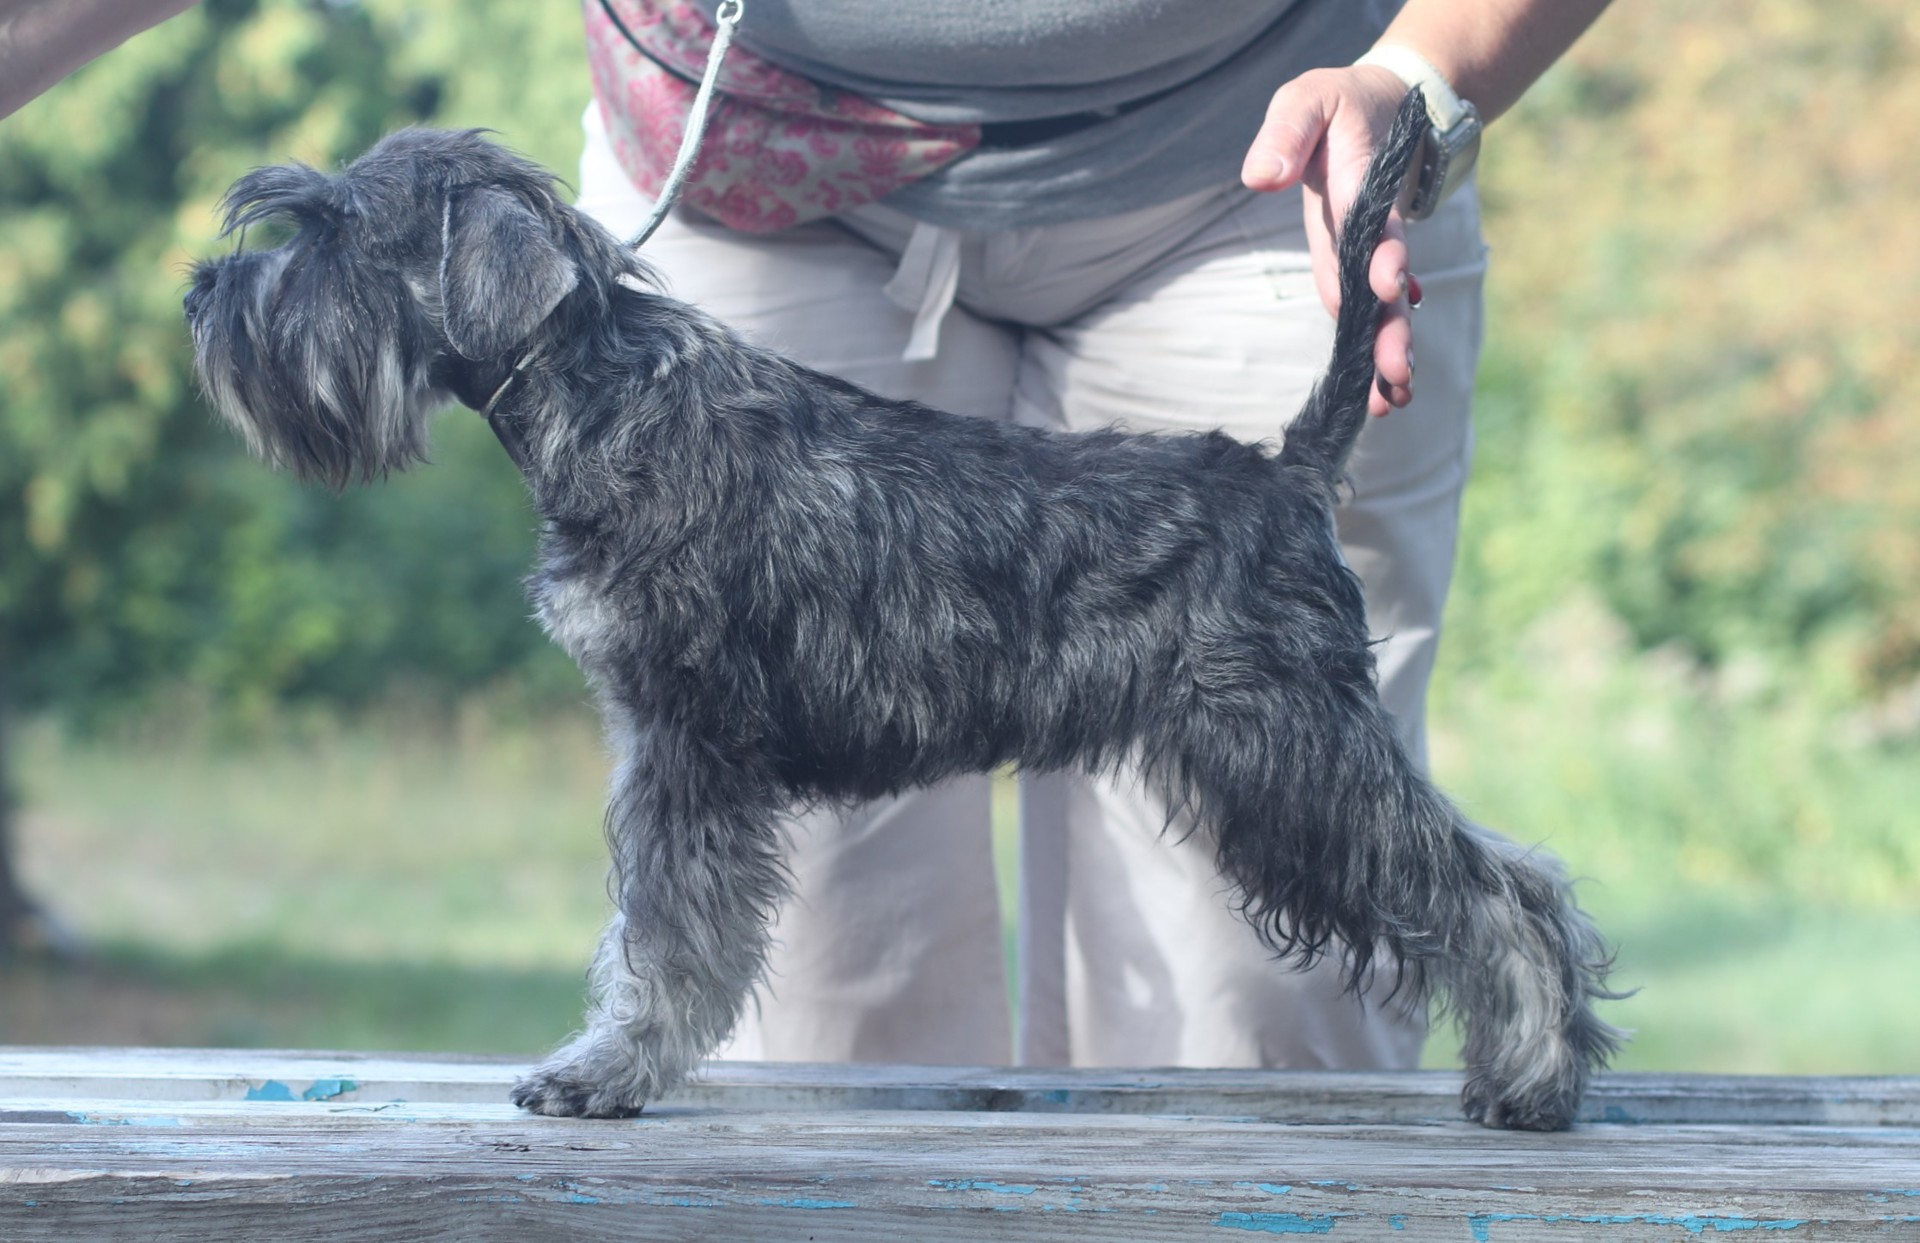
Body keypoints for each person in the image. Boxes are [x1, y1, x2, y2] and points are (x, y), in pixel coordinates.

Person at [574, 0, 1611, 1071]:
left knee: (1255, 1004)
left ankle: (1516, 959)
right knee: (818, 985)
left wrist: (1419, 74)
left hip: (1257, 155)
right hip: (756, 164)